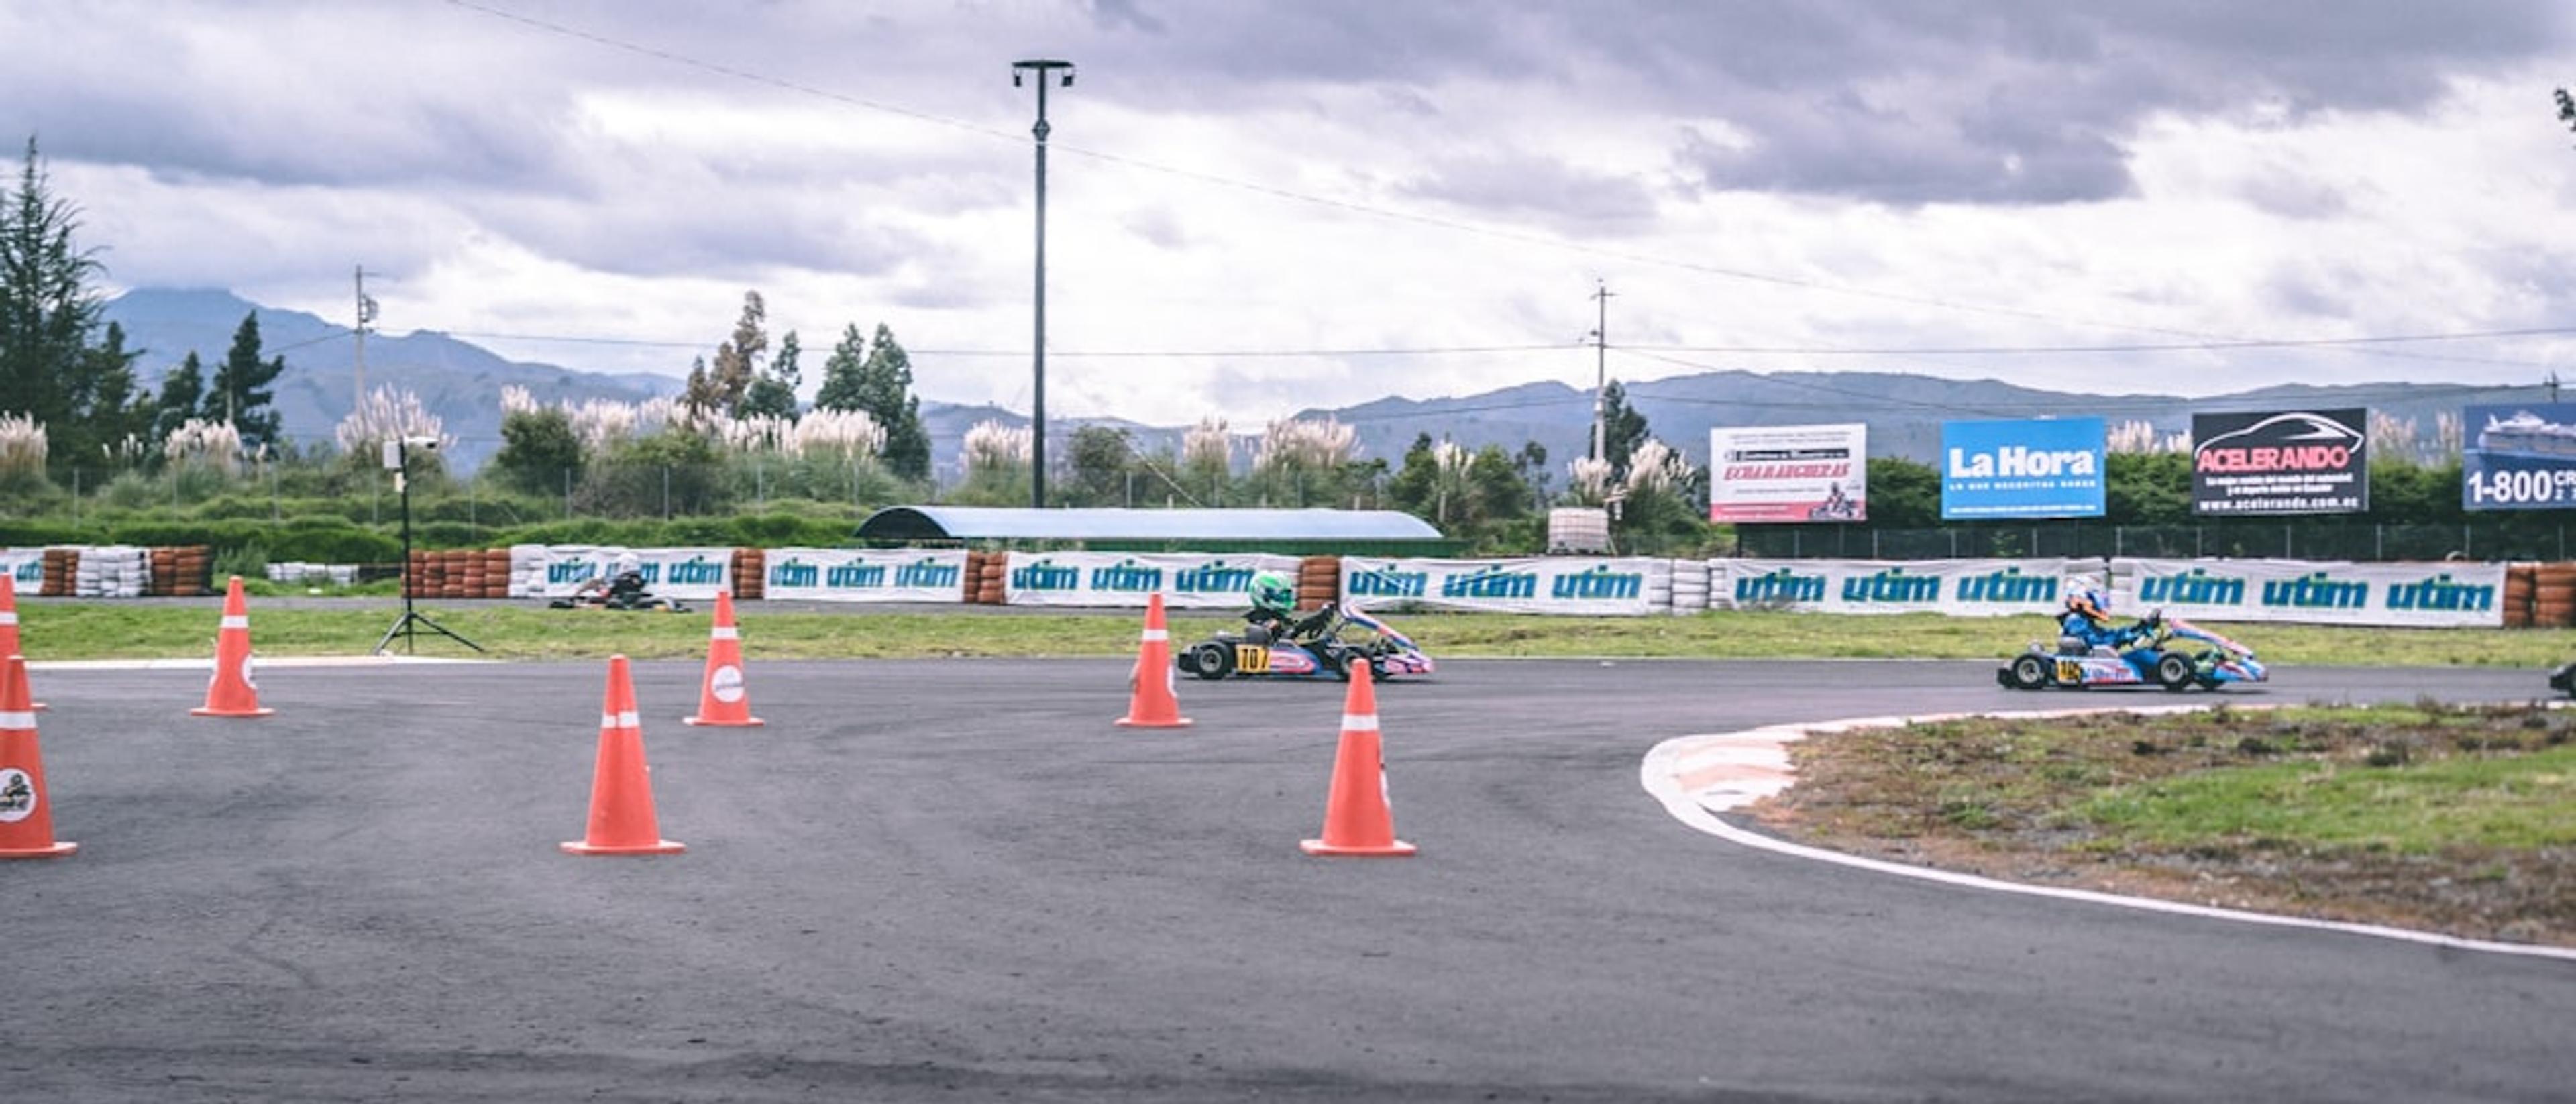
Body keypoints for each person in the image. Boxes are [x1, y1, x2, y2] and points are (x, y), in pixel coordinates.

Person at [2059, 579, 2157, 653]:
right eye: (2089, 598)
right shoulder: (2074, 620)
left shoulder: (2084, 620)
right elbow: (2097, 642)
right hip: (2087, 660)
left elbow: (2104, 634)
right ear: (2079, 599)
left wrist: (2136, 629)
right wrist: (2124, 637)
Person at [1244, 569, 1336, 644]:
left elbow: (1292, 627)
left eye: (1286, 594)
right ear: (1262, 594)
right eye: (1280, 595)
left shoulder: (1277, 617)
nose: (1284, 598)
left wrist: (1317, 620)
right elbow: (1283, 636)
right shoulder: (1257, 619)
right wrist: (1302, 627)